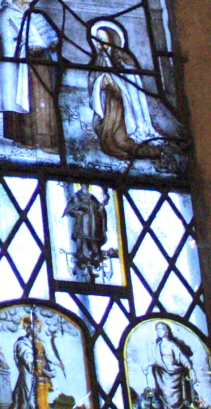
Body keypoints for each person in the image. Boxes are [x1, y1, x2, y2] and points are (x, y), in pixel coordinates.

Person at [0, 0, 60, 149]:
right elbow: (5, 44)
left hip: (40, 64)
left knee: (42, 100)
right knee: (22, 98)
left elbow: (48, 36)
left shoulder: (36, 15)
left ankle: (45, 139)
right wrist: (25, 49)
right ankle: (25, 138)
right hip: (18, 67)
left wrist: (51, 43)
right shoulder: (6, 15)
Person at [88, 19, 162, 162]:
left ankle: (153, 152)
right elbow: (93, 81)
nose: (98, 42)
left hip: (124, 108)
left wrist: (116, 84)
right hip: (109, 106)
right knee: (107, 142)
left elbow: (131, 81)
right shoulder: (99, 60)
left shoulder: (123, 58)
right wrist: (101, 82)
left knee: (120, 140)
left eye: (102, 39)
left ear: (113, 38)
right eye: (96, 39)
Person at [63, 183, 111, 282]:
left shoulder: (91, 197)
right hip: (82, 224)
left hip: (92, 226)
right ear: (81, 185)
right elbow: (69, 209)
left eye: (87, 185)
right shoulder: (77, 196)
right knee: (82, 240)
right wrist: (78, 210)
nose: (86, 186)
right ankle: (83, 255)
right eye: (84, 185)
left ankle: (94, 254)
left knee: (93, 241)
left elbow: (98, 208)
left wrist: (100, 207)